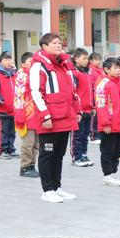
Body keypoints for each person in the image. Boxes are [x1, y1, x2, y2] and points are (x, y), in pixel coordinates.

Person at [30, 32, 80, 203]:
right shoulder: (39, 66)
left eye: (60, 42)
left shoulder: (64, 65)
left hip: (65, 118)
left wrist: (77, 111)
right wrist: (45, 116)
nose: (59, 45)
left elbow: (72, 91)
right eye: (54, 43)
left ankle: (57, 187)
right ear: (44, 47)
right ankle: (47, 189)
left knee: (59, 154)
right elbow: (36, 92)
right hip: (50, 119)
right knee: (47, 153)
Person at [95, 58, 120, 186]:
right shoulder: (103, 84)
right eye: (115, 68)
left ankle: (113, 173)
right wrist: (106, 124)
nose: (118, 70)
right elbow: (101, 105)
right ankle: (107, 175)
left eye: (119, 67)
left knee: (117, 150)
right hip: (109, 125)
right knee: (108, 150)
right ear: (107, 69)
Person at [14, 52, 39, 178]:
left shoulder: (36, 75)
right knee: (28, 143)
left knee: (36, 144)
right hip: (26, 116)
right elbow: (18, 98)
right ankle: (25, 167)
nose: (33, 63)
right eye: (30, 61)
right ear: (23, 64)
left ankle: (32, 165)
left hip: (37, 115)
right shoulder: (21, 76)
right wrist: (19, 116)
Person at [0, 52, 17, 159]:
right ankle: (2, 150)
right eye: (6, 60)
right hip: (2, 109)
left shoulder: (14, 74)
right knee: (2, 130)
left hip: (13, 108)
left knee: (11, 130)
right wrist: (2, 101)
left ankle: (10, 148)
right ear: (1, 62)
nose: (9, 62)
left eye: (10, 59)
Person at [71, 48, 95, 167]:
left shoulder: (88, 73)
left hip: (89, 110)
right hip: (78, 111)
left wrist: (93, 106)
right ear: (76, 59)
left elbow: (92, 91)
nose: (86, 61)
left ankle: (84, 154)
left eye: (87, 58)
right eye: (84, 58)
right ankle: (76, 157)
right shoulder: (74, 73)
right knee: (77, 135)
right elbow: (73, 92)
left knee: (85, 135)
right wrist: (76, 110)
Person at [89, 52, 103, 145]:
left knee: (99, 116)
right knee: (94, 116)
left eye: (99, 60)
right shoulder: (91, 71)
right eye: (95, 60)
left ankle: (97, 134)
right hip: (94, 95)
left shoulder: (100, 70)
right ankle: (93, 135)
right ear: (91, 61)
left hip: (100, 96)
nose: (98, 62)